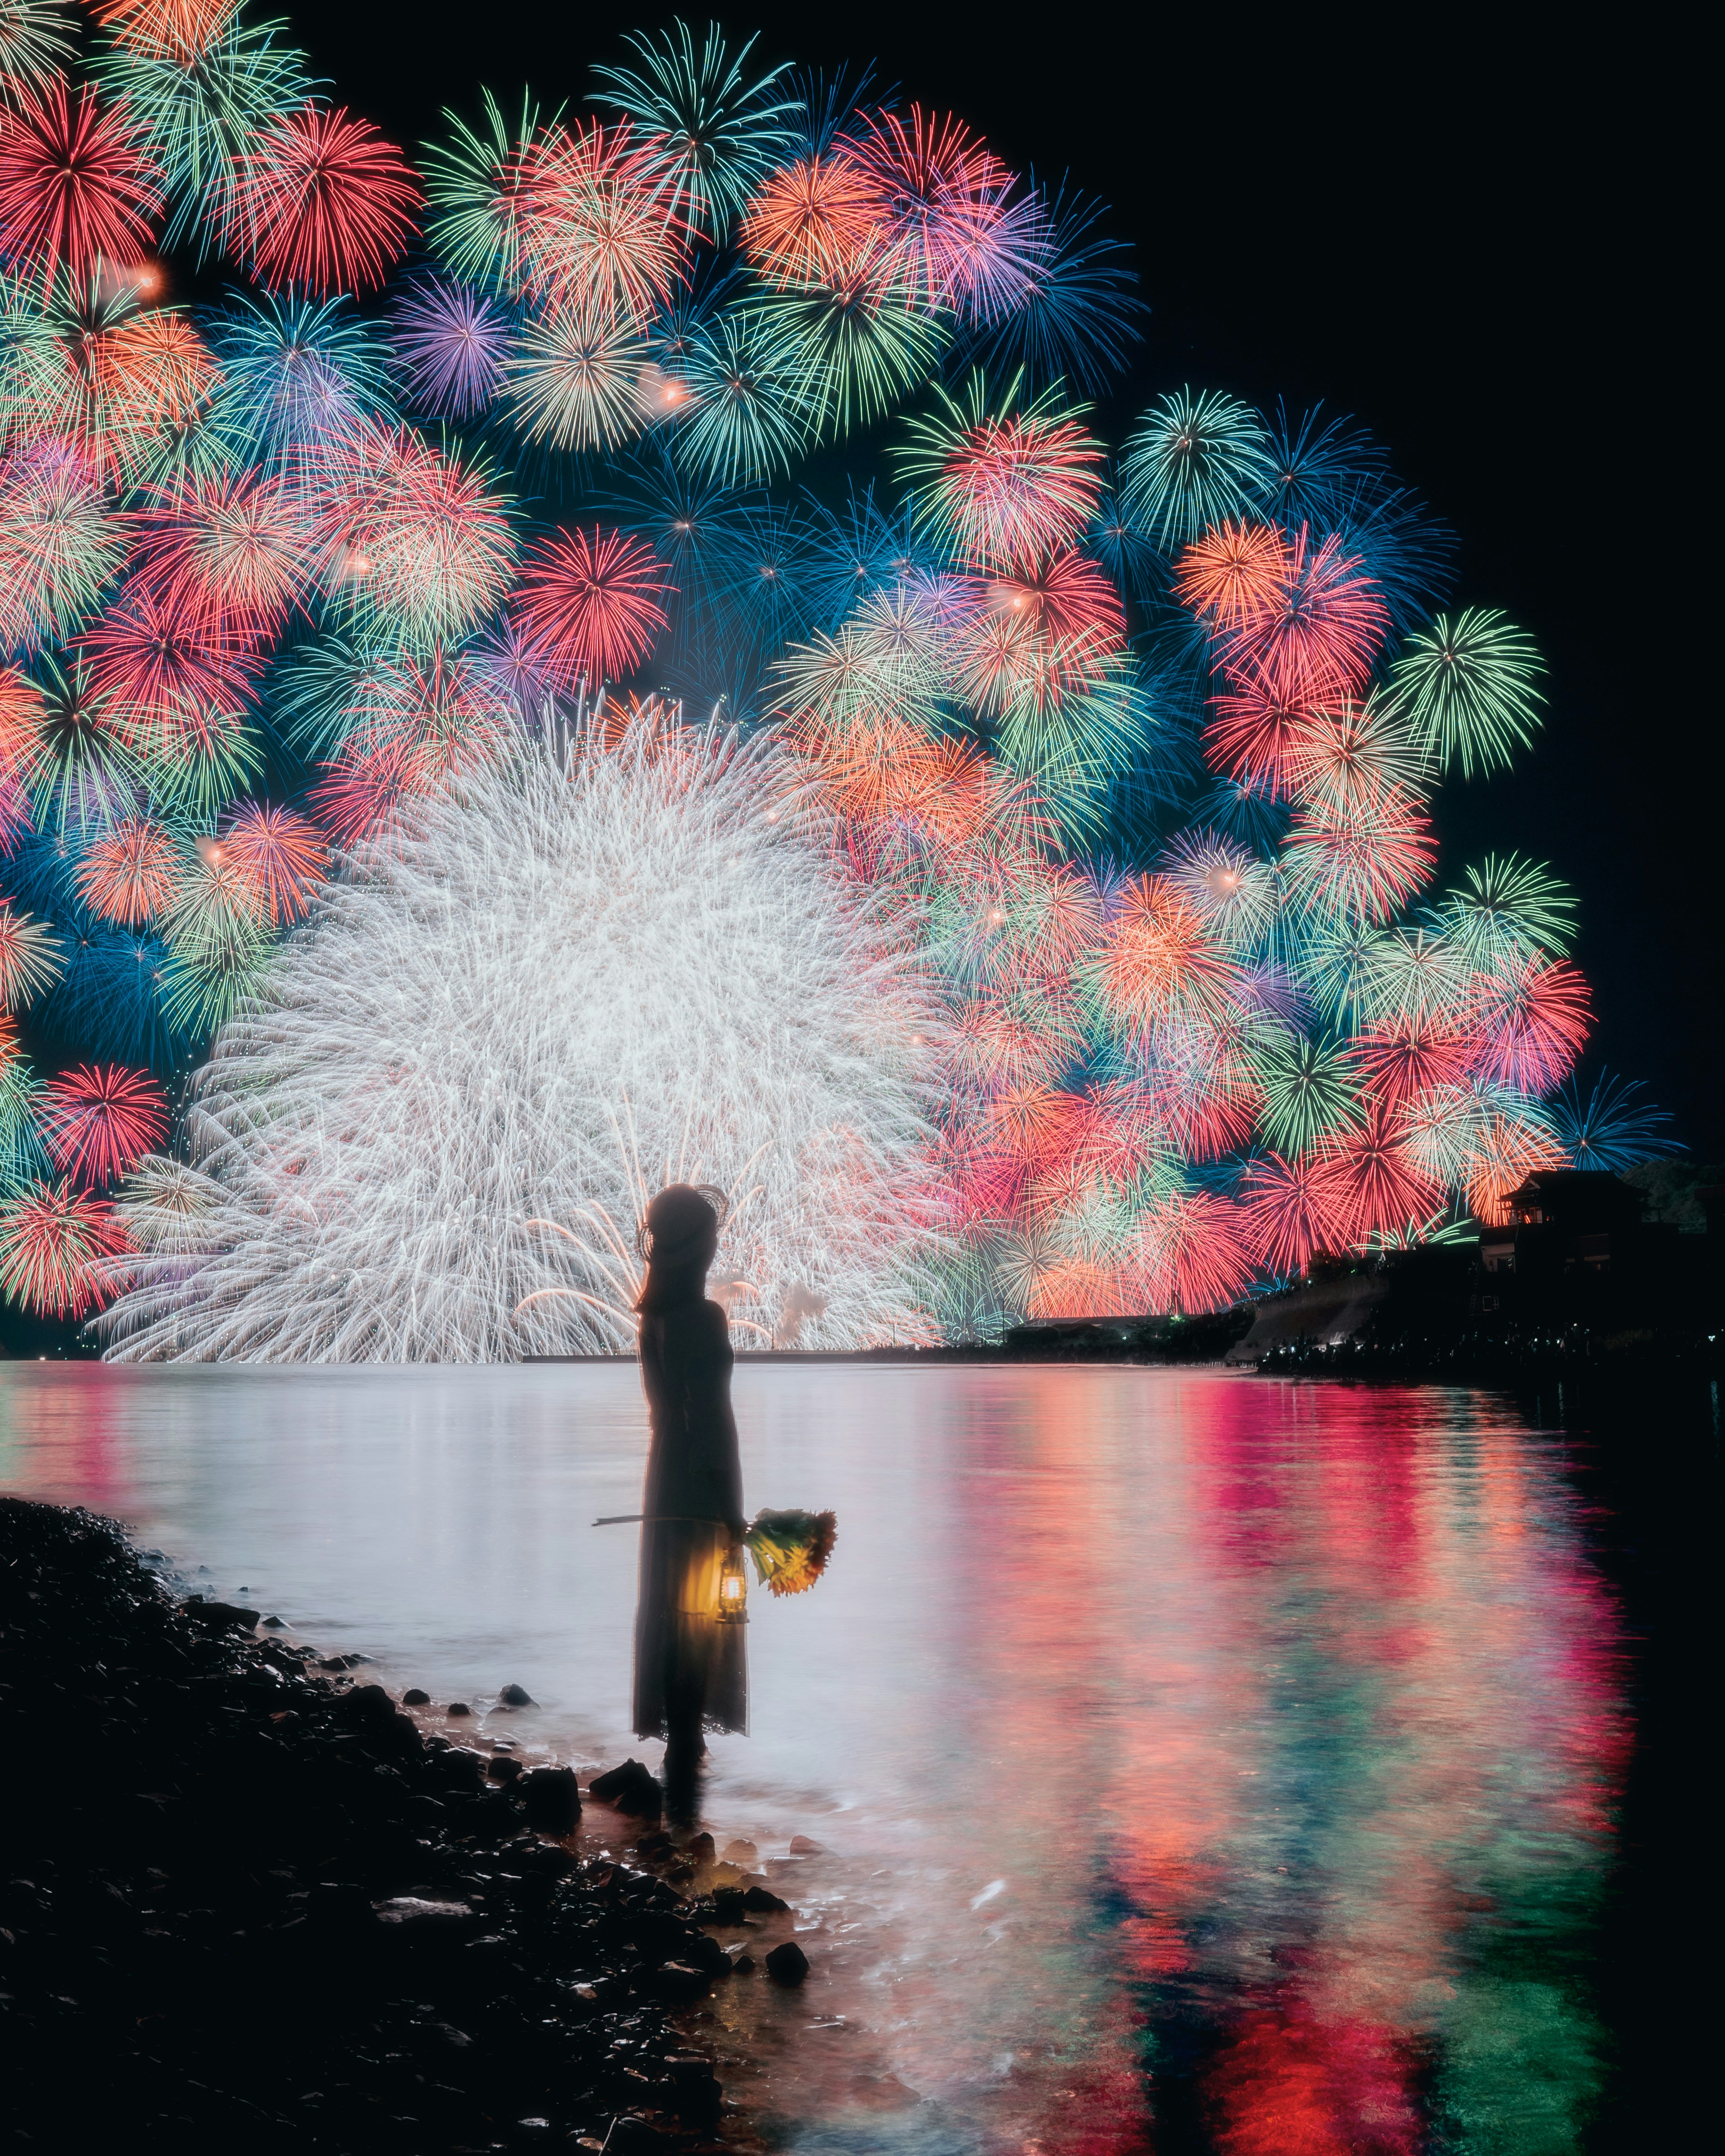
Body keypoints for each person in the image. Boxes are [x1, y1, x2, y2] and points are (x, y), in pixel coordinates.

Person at [631, 1183, 748, 1812]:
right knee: (703, 1613)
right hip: (698, 1483)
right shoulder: (704, 1319)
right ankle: (686, 1761)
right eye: (710, 1235)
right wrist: (731, 1507)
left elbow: (667, 1415)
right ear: (694, 1246)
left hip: (662, 1475)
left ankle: (681, 1751)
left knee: (676, 1609)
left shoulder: (655, 1318)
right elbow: (712, 1421)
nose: (717, 1245)